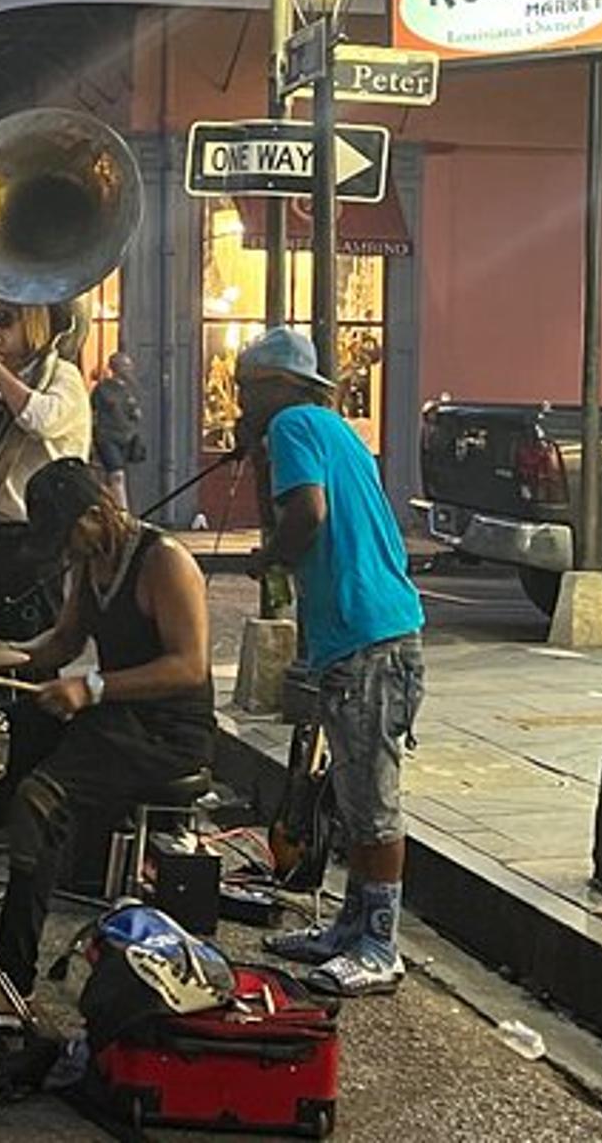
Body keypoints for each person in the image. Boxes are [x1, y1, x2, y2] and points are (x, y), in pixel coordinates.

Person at [239, 327, 425, 997]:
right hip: (373, 628)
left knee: (373, 802)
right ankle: (352, 926)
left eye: (245, 389)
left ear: (273, 388)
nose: (241, 401)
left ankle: (381, 943)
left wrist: (273, 556)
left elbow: (308, 514)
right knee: (351, 793)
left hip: (365, 634)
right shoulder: (332, 427)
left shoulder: (290, 423)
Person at [0, 459, 213, 996]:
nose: (67, 551)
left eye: (69, 537)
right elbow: (64, 641)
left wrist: (91, 688)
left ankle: (11, 977)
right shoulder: (93, 561)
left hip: (168, 731)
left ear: (96, 513)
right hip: (114, 715)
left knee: (38, 801)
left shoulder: (164, 561)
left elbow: (190, 666)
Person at [0, 295, 92, 899]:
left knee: (31, 670)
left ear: (33, 324)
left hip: (40, 538)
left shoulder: (64, 377)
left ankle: (31, 799)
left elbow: (41, 421)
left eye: (3, 320)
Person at [91, 351, 144, 508]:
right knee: (117, 475)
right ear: (115, 368)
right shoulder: (103, 388)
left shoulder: (132, 389)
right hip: (107, 437)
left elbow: (136, 413)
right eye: (124, 366)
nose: (129, 369)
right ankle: (123, 513)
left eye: (129, 366)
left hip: (127, 437)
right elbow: (92, 411)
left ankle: (113, 509)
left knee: (117, 476)